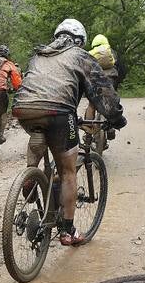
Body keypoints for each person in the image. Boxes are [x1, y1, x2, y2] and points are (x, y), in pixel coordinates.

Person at [12, 19, 127, 246]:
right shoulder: (80, 56)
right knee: (67, 170)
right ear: (80, 41)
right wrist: (116, 117)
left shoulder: (38, 55)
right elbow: (101, 90)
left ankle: (31, 175)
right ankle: (67, 230)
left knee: (39, 130)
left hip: (23, 109)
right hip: (59, 113)